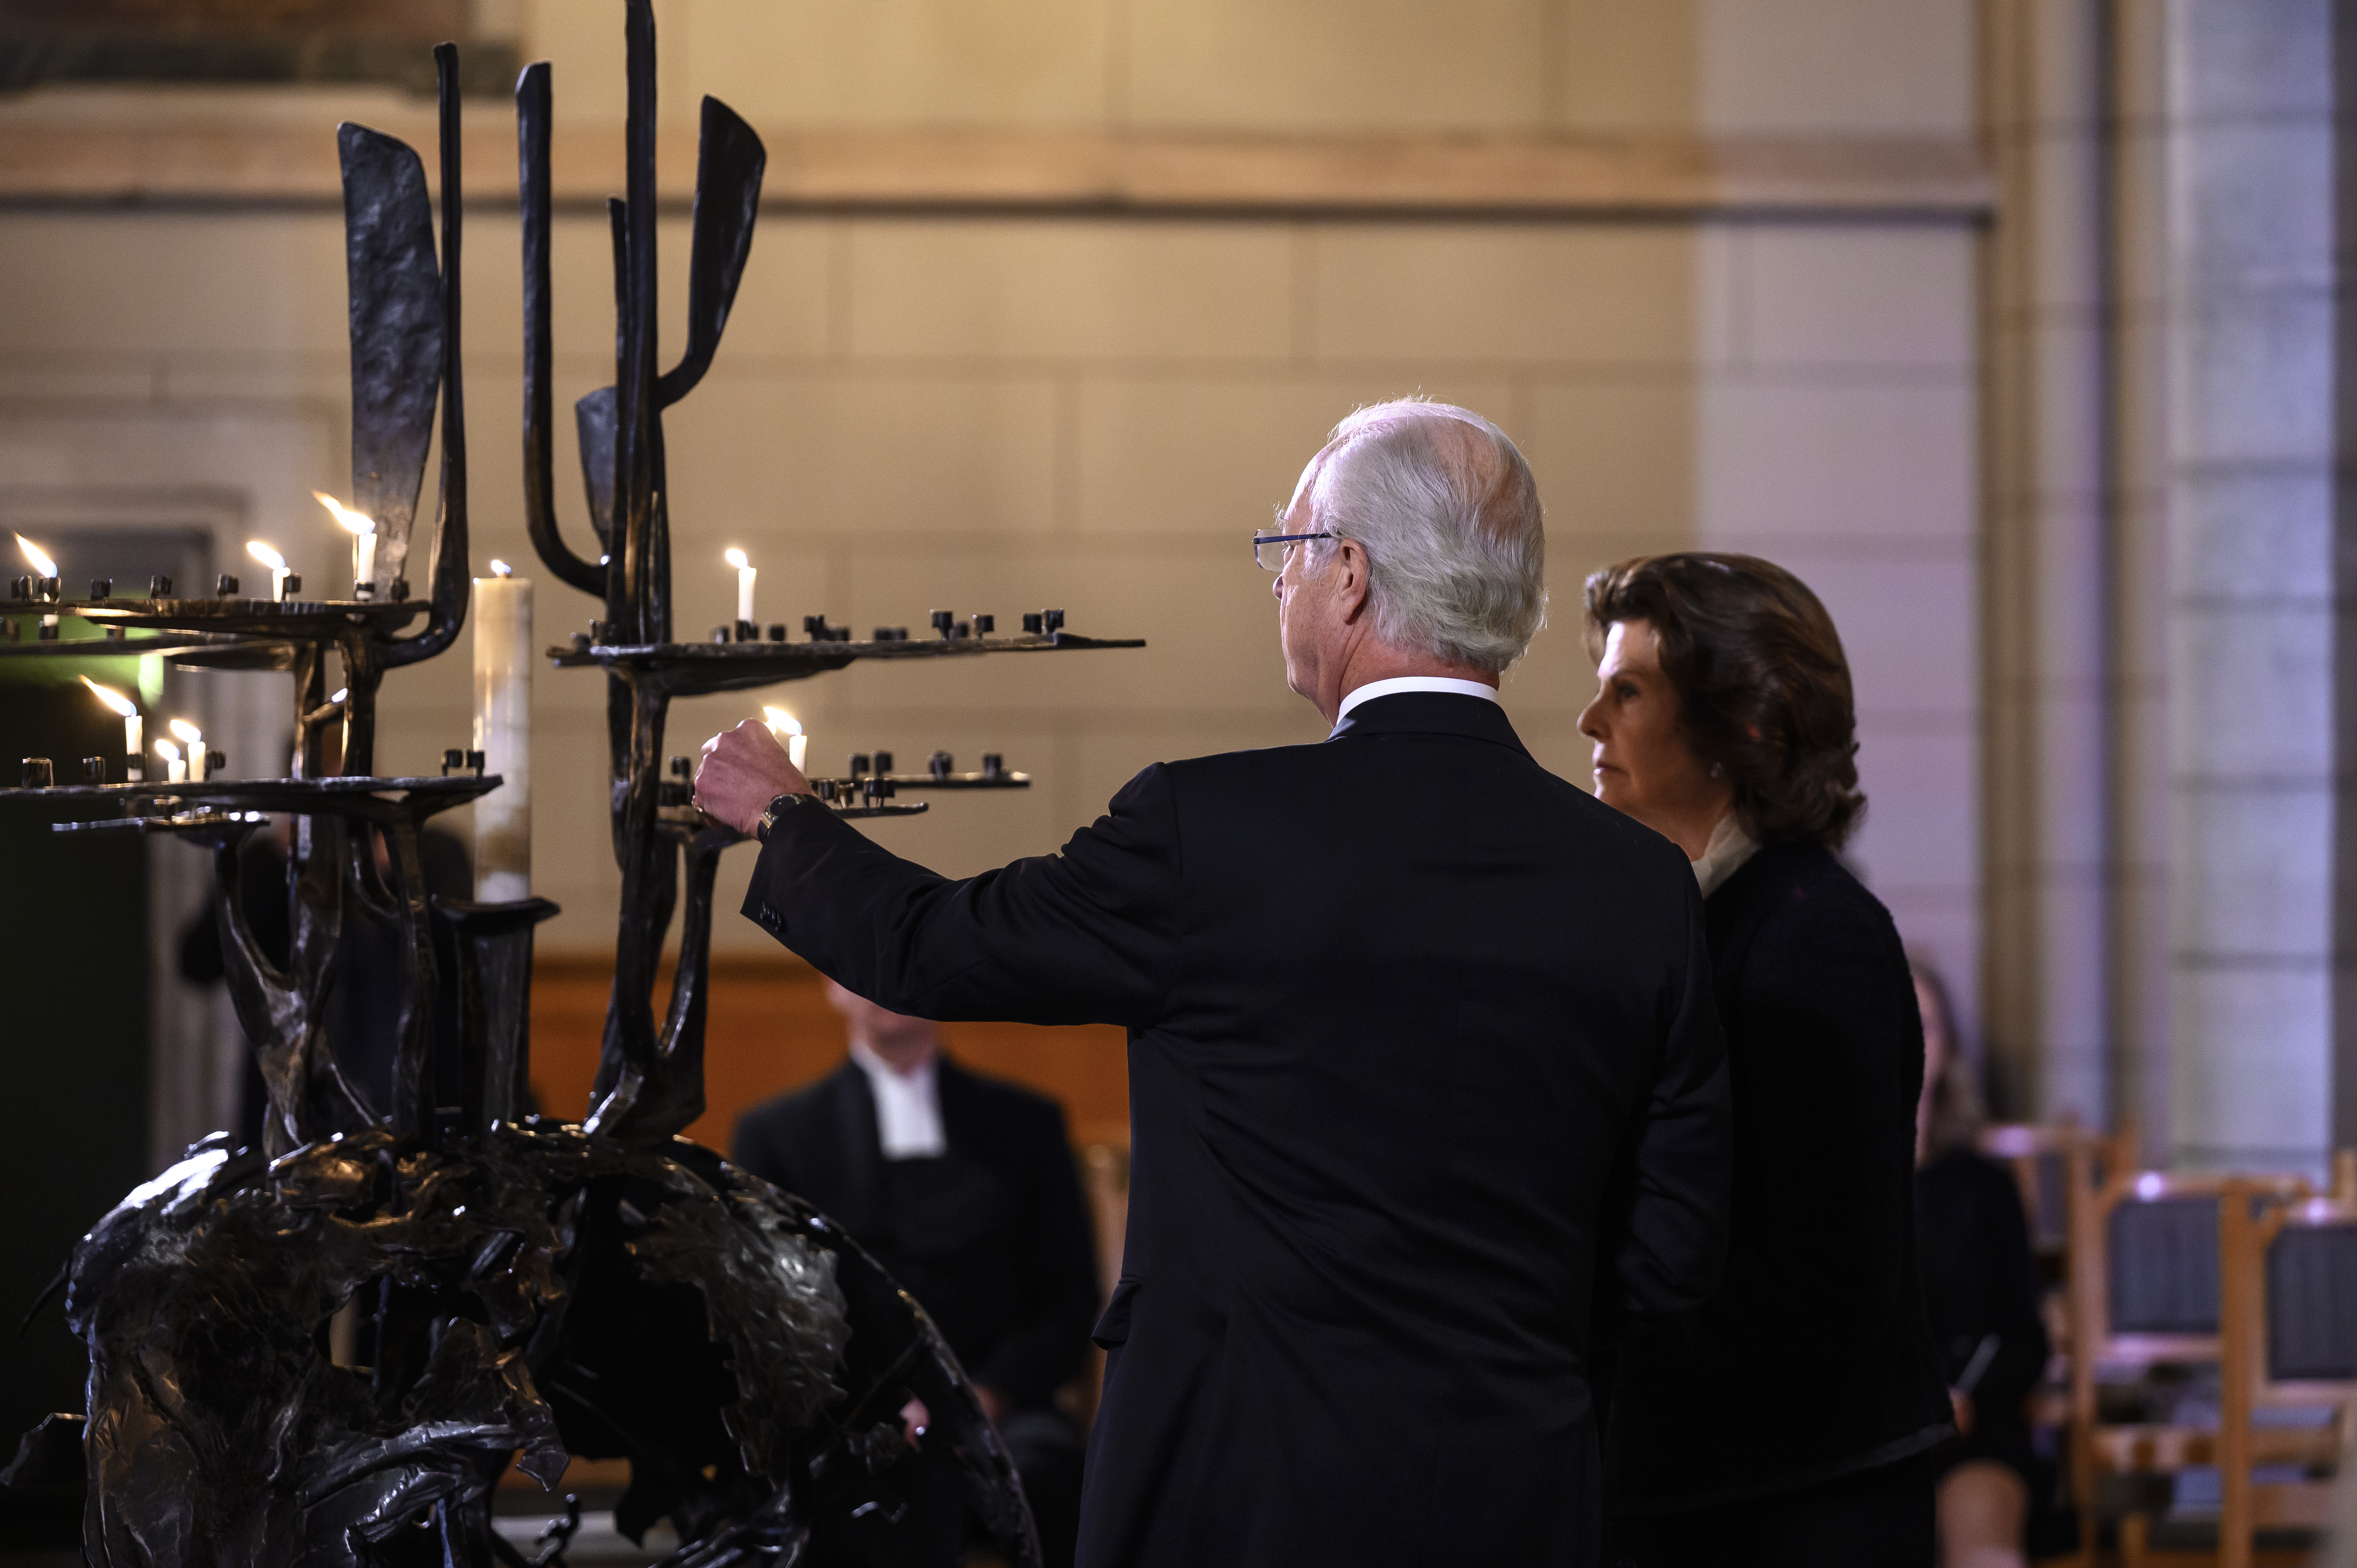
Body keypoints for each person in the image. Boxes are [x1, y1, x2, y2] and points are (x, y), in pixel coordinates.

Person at [695, 398, 1731, 1568]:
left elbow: (931, 945)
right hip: (1517, 1491)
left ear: (1348, 575)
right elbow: (1673, 1254)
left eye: (1287, 551)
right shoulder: (1642, 886)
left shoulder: (1210, 831)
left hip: (1237, 1492)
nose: (1276, 584)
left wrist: (778, 810)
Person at [1577, 552, 1952, 1567]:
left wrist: (1588, 1328)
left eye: (1628, 691)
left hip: (1795, 1506)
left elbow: (1829, 1287)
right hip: (1705, 1481)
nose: (1589, 722)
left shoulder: (1813, 936)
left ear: (1737, 723)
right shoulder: (1701, 918)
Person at [731, 980, 1099, 1568]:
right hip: (844, 1415)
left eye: (906, 968)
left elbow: (1068, 1295)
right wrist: (874, 1403)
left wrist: (982, 1396)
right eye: (864, 970)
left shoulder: (1026, 1123)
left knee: (1049, 1474)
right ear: (833, 987)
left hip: (1002, 1412)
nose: (887, 987)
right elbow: (767, 1308)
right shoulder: (778, 1134)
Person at [1912, 959, 2049, 1568]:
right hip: (1857, 1440)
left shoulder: (1984, 1188)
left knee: (1983, 1544)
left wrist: (1962, 1394)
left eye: (1929, 1026)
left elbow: (2025, 1338)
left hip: (1972, 1428)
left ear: (1948, 1048)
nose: (1913, 1043)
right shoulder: (1824, 1186)